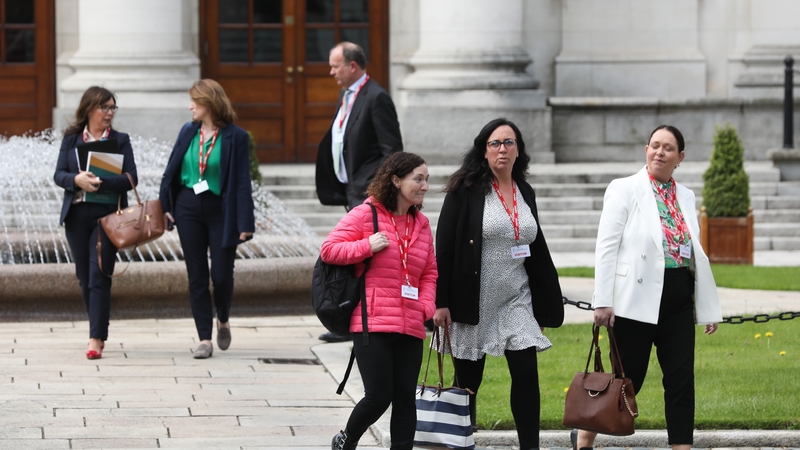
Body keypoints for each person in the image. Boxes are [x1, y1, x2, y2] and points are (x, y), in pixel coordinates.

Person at [572, 125, 722, 450]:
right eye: (655, 145)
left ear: (680, 157)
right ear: (646, 150)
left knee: (681, 379)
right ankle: (585, 437)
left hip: (679, 297)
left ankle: (681, 446)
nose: (660, 152)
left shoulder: (687, 196)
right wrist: (602, 301)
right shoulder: (624, 188)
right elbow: (606, 246)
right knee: (627, 380)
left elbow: (693, 253)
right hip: (635, 300)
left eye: (668, 148)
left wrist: (705, 304)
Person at [433, 118, 564, 450]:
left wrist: (546, 306)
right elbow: (444, 248)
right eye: (495, 143)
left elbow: (536, 250)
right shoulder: (465, 190)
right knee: (467, 385)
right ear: (484, 150)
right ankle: (458, 443)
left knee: (526, 374)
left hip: (515, 299)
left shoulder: (525, 191)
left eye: (509, 142)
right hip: (471, 302)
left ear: (518, 150)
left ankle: (529, 447)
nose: (502, 149)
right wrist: (440, 302)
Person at [321, 152, 437, 450]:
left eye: (427, 179)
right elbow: (329, 249)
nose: (425, 185)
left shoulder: (421, 224)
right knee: (378, 396)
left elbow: (429, 273)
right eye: (418, 179)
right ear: (396, 180)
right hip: (372, 322)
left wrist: (425, 306)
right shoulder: (366, 214)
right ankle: (347, 438)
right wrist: (365, 245)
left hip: (410, 323)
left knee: (405, 400)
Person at [159, 79, 255, 359]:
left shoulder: (236, 137)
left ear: (210, 103)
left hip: (221, 210)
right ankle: (204, 338)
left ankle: (222, 318)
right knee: (197, 276)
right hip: (188, 207)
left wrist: (245, 223)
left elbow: (241, 182)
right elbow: (171, 171)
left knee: (222, 276)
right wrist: (166, 205)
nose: (190, 107)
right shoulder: (188, 131)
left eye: (195, 102)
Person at [315, 41, 404, 343]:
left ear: (352, 66)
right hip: (351, 192)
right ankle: (349, 318)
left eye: (335, 66)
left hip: (369, 194)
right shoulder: (348, 94)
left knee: (366, 261)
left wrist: (377, 190)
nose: (331, 72)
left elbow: (392, 152)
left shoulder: (376, 98)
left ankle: (361, 320)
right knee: (354, 258)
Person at [54, 86, 138, 360]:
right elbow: (59, 175)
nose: (110, 113)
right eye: (105, 107)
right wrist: (76, 180)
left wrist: (101, 181)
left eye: (113, 108)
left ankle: (95, 338)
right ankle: (99, 328)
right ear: (90, 108)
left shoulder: (121, 140)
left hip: (108, 217)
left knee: (99, 274)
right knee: (83, 276)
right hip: (77, 216)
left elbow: (130, 179)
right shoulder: (71, 139)